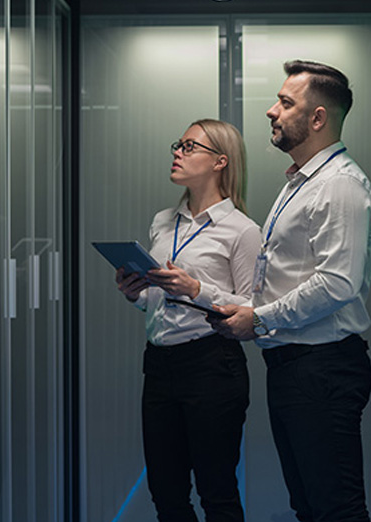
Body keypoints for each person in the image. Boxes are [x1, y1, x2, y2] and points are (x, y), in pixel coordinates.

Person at [209, 59, 371, 522]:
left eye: (286, 103)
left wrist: (260, 319)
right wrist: (214, 297)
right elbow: (287, 278)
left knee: (336, 509)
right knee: (310, 506)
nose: (272, 111)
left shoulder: (339, 185)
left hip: (321, 370)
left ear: (318, 118)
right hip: (297, 368)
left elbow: (337, 282)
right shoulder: (303, 183)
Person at [114, 119, 260, 521]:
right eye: (178, 144)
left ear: (220, 162)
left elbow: (251, 309)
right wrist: (137, 294)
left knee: (217, 493)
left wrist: (197, 289)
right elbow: (155, 299)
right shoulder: (164, 221)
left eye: (190, 146)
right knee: (167, 494)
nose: (177, 152)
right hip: (160, 365)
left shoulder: (242, 230)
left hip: (212, 365)